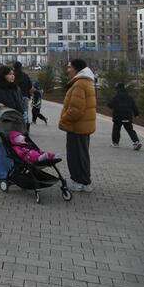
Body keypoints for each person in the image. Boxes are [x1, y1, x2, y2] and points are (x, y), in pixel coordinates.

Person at [59, 58, 97, 192]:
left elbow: (76, 109)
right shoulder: (87, 81)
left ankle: (79, 182)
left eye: (70, 67)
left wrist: (64, 120)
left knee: (76, 156)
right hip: (83, 127)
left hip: (77, 127)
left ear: (76, 69)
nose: (68, 70)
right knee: (82, 155)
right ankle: (84, 181)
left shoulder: (79, 84)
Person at [107, 83, 142, 151]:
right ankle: (136, 142)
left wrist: (111, 105)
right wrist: (136, 114)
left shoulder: (116, 96)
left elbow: (110, 105)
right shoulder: (129, 97)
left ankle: (115, 143)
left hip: (118, 117)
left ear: (117, 88)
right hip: (127, 117)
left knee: (116, 130)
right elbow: (134, 106)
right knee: (130, 130)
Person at [12, 61, 33, 128]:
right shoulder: (25, 75)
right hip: (25, 96)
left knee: (16, 111)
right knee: (25, 111)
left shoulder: (13, 76)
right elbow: (30, 85)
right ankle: (26, 126)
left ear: (14, 67)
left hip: (15, 97)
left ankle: (17, 126)